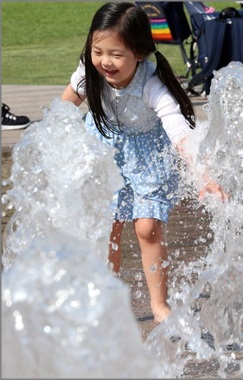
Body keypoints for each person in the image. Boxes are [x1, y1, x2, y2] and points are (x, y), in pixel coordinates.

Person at [61, 2, 226, 323]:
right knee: (107, 226)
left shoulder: (152, 85)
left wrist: (204, 175)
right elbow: (63, 111)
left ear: (139, 53)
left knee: (148, 228)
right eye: (98, 51)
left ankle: (158, 304)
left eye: (116, 54)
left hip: (148, 157)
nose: (105, 62)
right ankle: (105, 297)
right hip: (105, 151)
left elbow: (180, 134)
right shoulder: (88, 72)